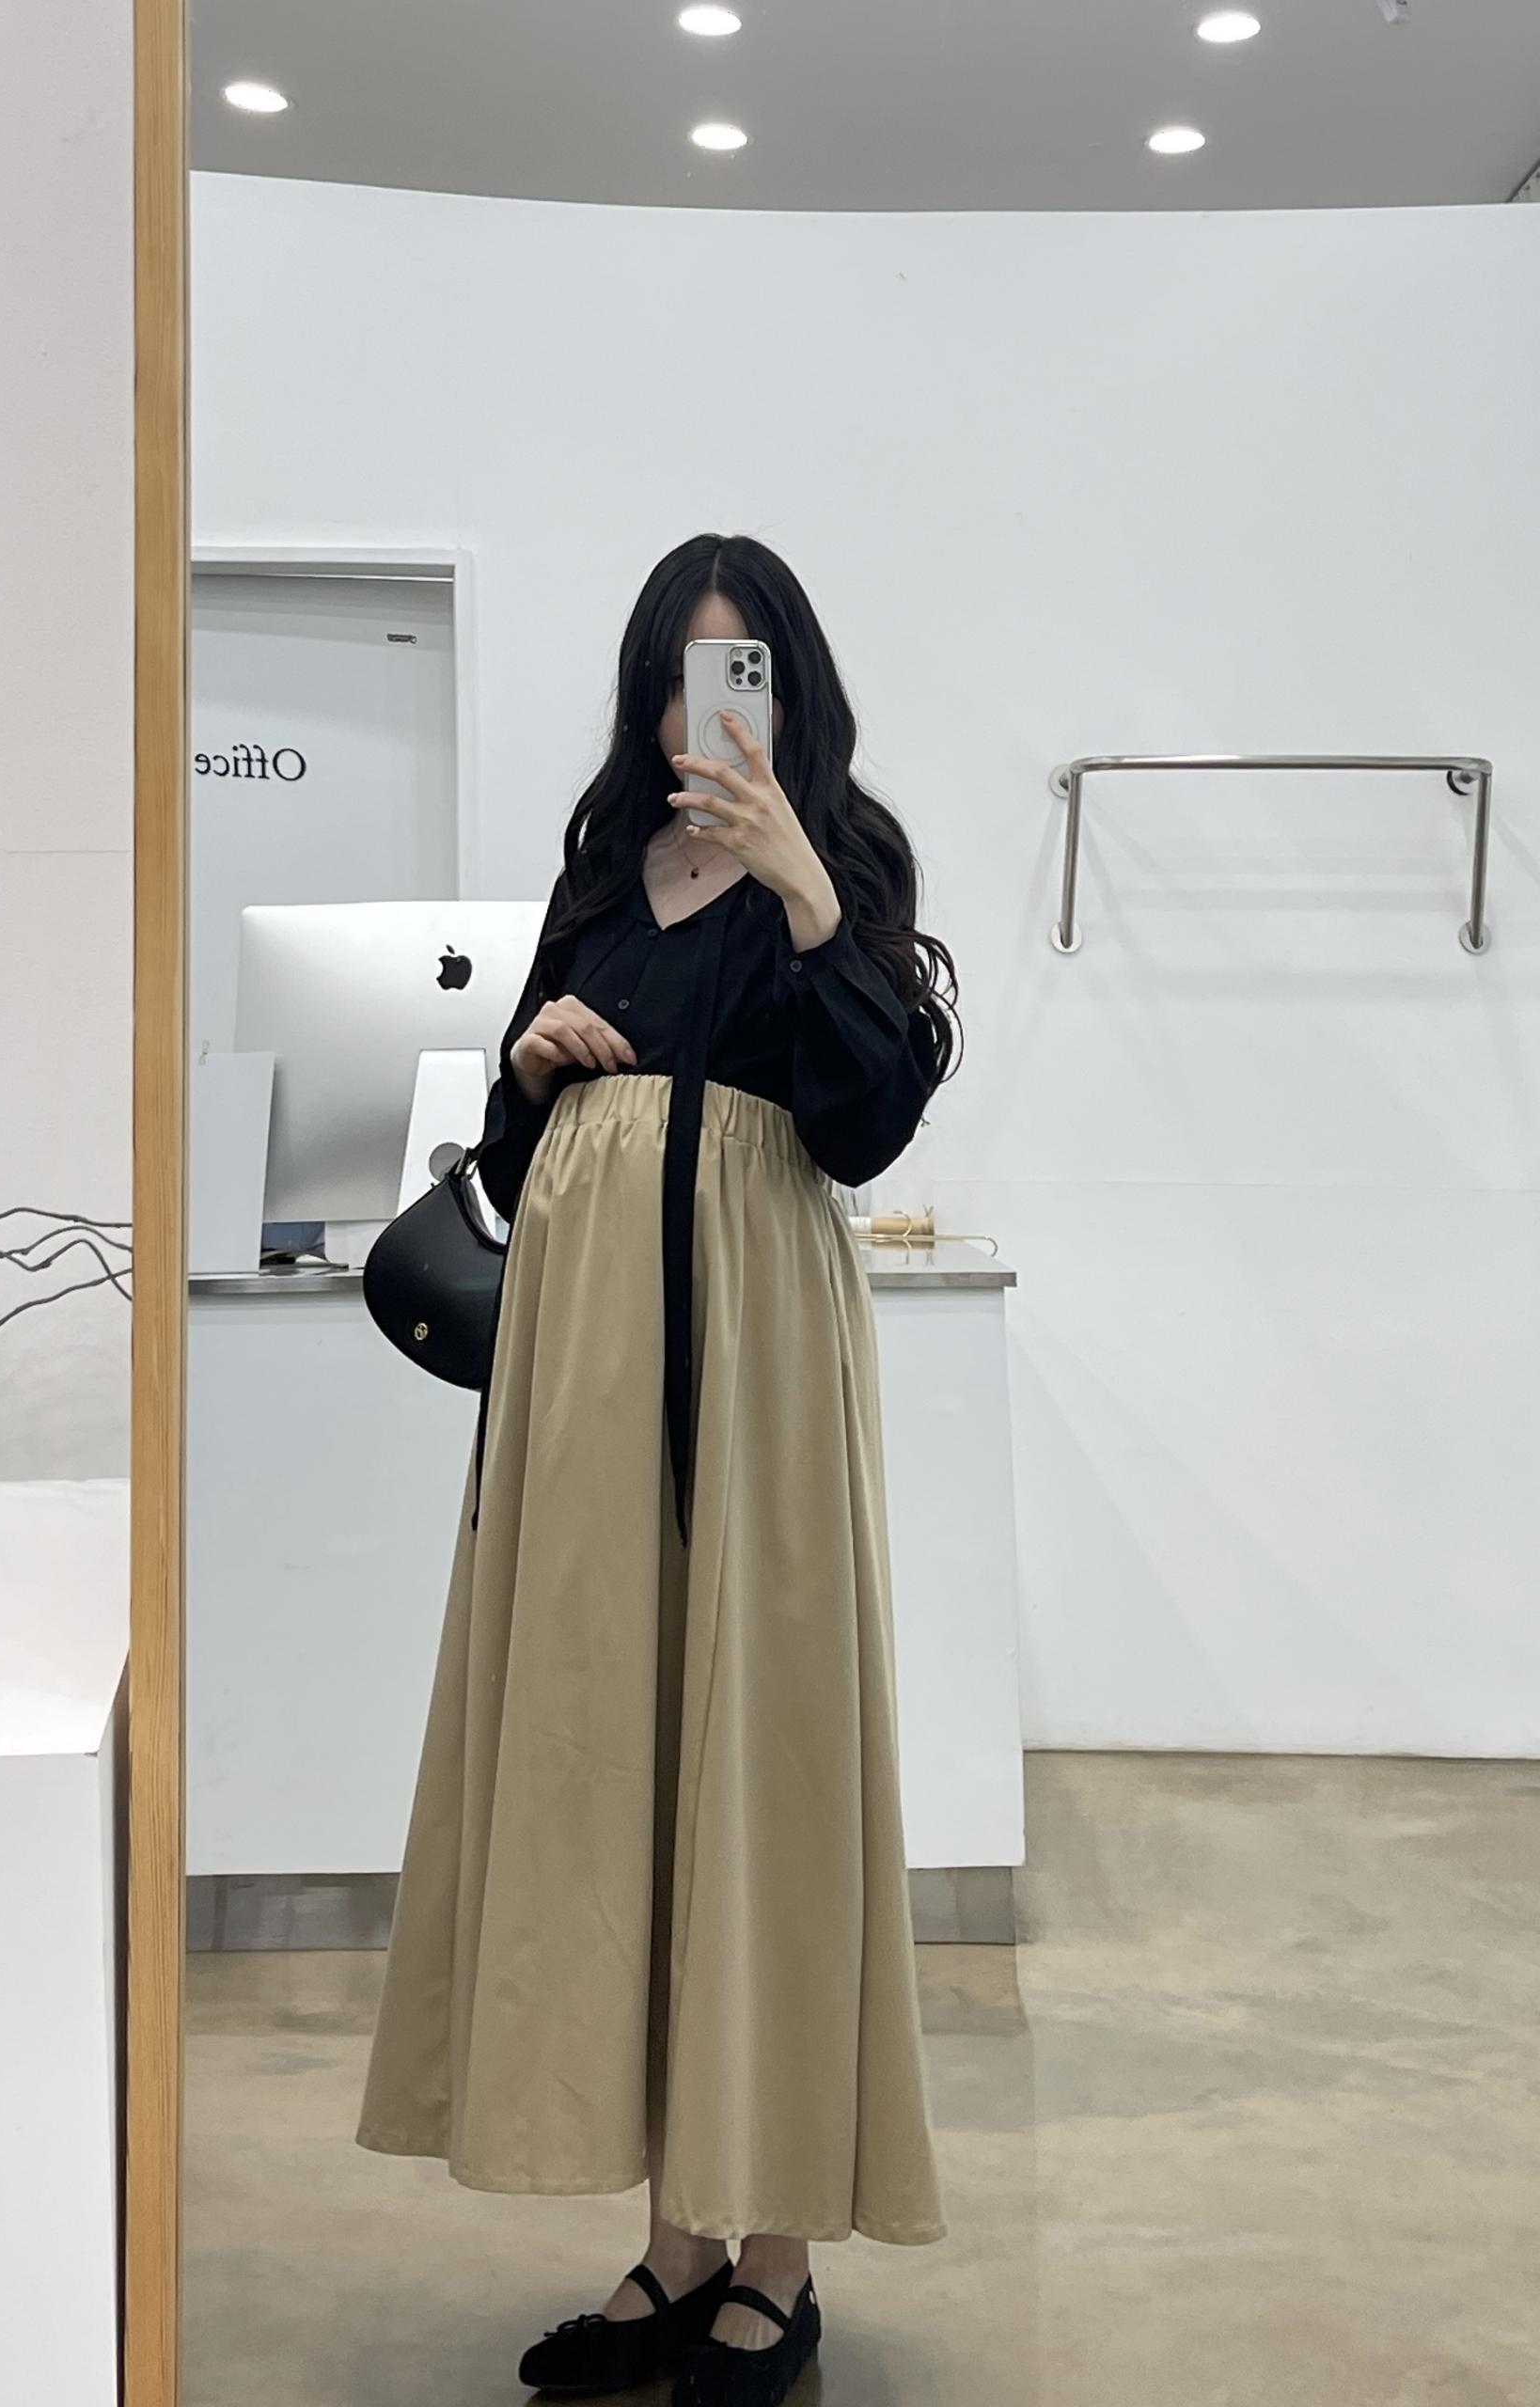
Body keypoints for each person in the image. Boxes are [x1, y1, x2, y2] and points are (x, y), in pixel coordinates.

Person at [356, 532, 960, 2407]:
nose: (712, 709)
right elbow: (509, 1153)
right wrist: (534, 1070)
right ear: (645, 692)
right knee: (609, 1755)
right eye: (683, 671)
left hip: (756, 1357)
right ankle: (675, 2243)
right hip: (591, 1363)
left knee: (755, 1760)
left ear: (788, 685)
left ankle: (776, 2258)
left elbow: (866, 1120)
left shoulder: (846, 860)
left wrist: (801, 887)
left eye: (741, 667)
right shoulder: (601, 863)